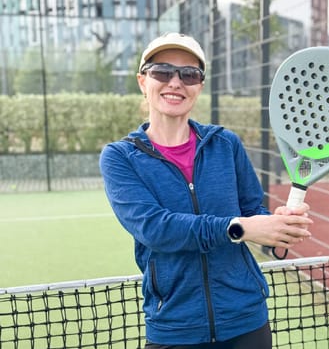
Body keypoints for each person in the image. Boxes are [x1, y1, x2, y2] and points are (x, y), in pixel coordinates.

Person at [99, 32, 312, 349]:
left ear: (199, 85)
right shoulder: (119, 157)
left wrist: (278, 227)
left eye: (189, 74)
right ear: (143, 81)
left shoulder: (226, 144)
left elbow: (254, 212)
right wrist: (240, 227)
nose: (175, 82)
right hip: (174, 327)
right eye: (162, 71)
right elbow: (157, 229)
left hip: (247, 322)